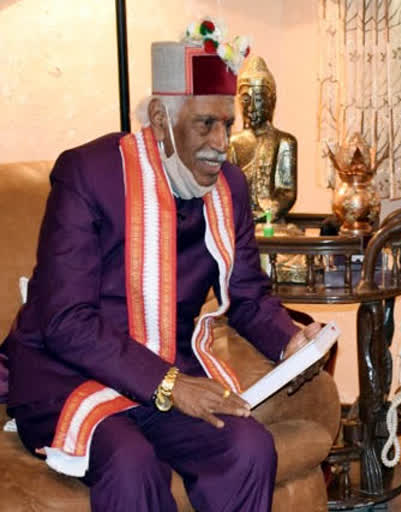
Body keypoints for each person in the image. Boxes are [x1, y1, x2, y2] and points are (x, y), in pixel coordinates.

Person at [2, 21, 323, 512]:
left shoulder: (231, 187)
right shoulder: (89, 174)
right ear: (159, 116)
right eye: (205, 125)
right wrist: (169, 386)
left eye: (228, 124)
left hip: (169, 373)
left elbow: (248, 295)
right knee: (131, 463)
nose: (222, 142)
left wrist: (289, 341)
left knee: (248, 449)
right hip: (67, 375)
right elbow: (65, 322)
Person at [228, 55, 298, 224]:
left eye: (258, 99)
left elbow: (286, 191)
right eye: (246, 99)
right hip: (240, 221)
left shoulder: (284, 141)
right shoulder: (232, 142)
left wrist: (268, 212)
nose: (251, 107)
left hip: (270, 222)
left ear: (271, 100)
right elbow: (227, 187)